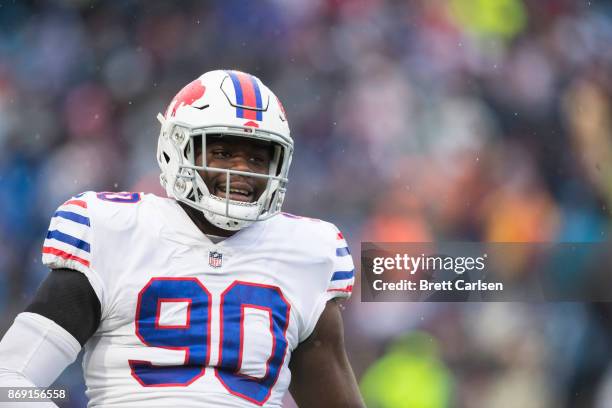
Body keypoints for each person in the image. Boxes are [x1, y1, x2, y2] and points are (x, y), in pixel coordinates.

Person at [0, 70, 364, 407]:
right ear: (177, 148)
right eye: (222, 153)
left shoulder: (307, 253)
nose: (241, 171)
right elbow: (10, 380)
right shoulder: (114, 230)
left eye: (257, 160)